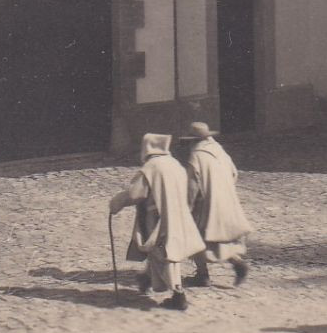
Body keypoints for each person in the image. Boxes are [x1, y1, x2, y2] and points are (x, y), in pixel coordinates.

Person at [108, 133, 203, 310]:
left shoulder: (151, 167)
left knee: (163, 254)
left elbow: (136, 194)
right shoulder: (175, 164)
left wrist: (117, 202)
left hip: (158, 218)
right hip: (177, 216)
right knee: (165, 252)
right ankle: (147, 279)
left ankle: (178, 294)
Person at [182, 122, 253, 287]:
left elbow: (192, 187)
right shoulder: (219, 150)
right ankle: (237, 263)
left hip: (206, 202)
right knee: (219, 238)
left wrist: (187, 207)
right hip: (225, 199)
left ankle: (202, 274)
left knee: (195, 236)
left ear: (193, 140)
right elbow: (234, 173)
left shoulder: (196, 156)